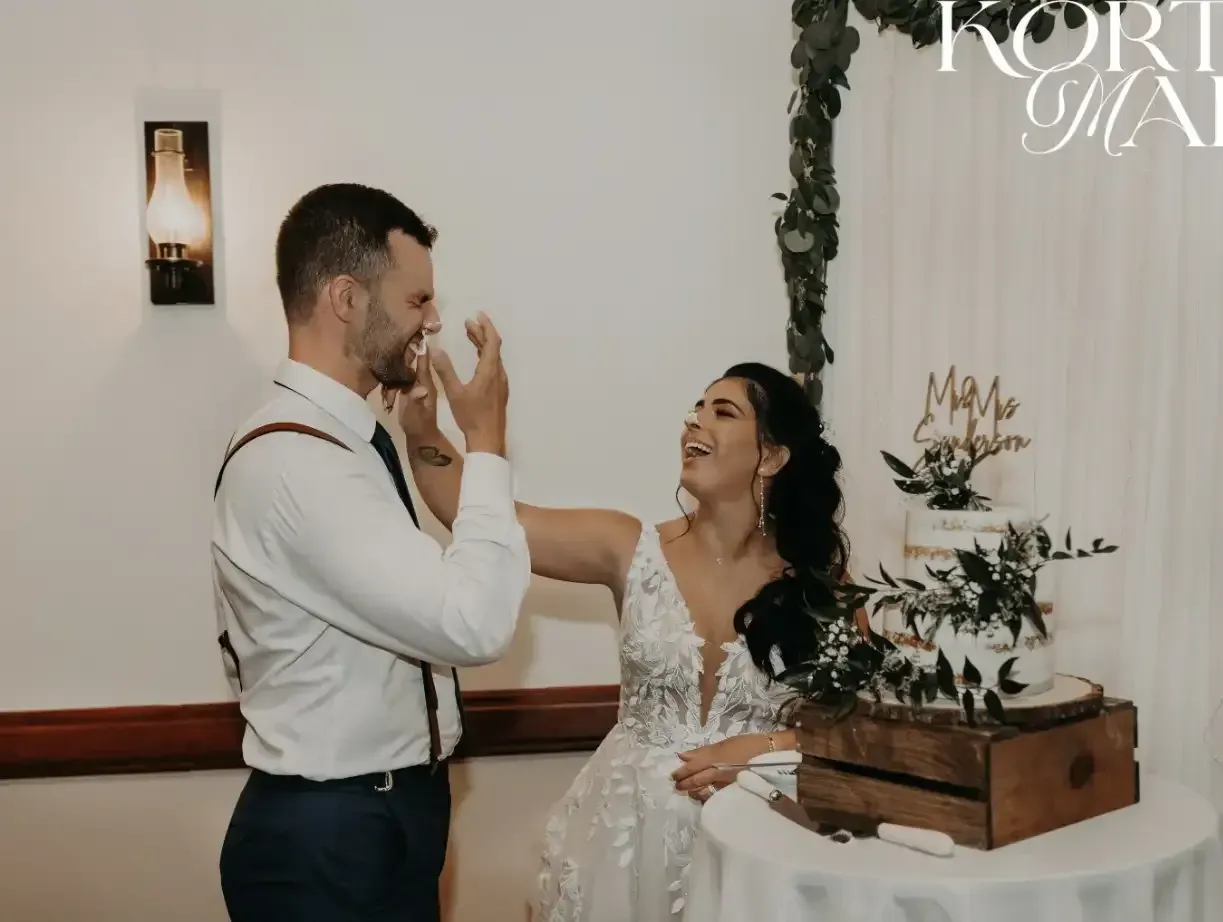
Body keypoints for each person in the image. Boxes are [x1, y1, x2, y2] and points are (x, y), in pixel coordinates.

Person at [398, 355, 850, 921]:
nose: (695, 422)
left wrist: (755, 752)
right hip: (626, 846)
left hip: (756, 841)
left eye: (723, 412)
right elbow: (490, 519)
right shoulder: (629, 546)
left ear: (773, 456)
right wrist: (423, 432)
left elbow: (857, 727)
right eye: (695, 410)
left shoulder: (819, 581)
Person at [212, 182, 529, 922]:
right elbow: (471, 624)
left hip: (382, 812)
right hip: (329, 836)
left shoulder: (348, 441)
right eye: (417, 300)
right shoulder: (299, 461)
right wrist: (485, 442)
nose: (434, 320)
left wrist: (425, 438)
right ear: (347, 299)